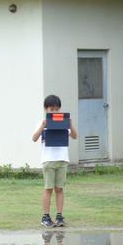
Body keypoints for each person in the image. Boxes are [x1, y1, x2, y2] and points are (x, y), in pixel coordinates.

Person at [32, 95, 78, 228]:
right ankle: (45, 217)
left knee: (59, 189)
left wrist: (71, 124)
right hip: (48, 160)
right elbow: (34, 138)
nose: (54, 112)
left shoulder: (63, 121)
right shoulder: (41, 122)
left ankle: (59, 216)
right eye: (51, 109)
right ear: (46, 109)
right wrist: (42, 126)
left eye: (57, 109)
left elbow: (74, 136)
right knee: (48, 189)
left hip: (62, 159)